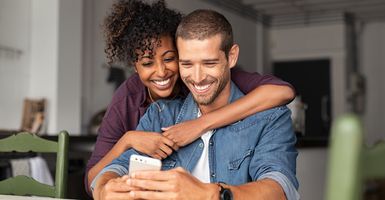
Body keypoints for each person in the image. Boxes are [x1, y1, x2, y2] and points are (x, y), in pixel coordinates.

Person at [85, 0, 295, 195]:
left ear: (231, 57)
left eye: (209, 63)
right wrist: (106, 189)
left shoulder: (269, 117)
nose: (197, 77)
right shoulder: (157, 113)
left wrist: (208, 194)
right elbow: (106, 173)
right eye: (187, 64)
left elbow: (279, 189)